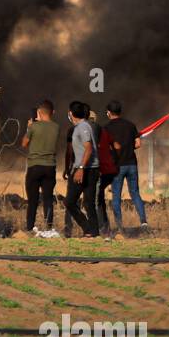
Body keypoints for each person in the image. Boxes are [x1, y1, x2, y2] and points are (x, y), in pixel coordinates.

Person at [106, 100, 149, 230]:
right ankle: (143, 222)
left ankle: (119, 225)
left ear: (109, 113)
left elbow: (107, 148)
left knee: (116, 196)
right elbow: (138, 144)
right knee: (135, 193)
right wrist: (128, 148)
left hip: (117, 166)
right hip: (131, 164)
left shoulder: (107, 128)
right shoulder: (130, 125)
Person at [21, 100, 59, 235]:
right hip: (50, 166)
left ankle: (30, 228)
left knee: (33, 200)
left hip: (35, 166)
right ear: (52, 112)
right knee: (48, 199)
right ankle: (48, 227)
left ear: (39, 112)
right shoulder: (56, 127)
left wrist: (29, 127)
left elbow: (24, 143)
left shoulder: (33, 127)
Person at [64, 100, 99, 237]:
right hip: (89, 168)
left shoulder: (82, 127)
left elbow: (89, 148)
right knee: (89, 203)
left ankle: (88, 229)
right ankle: (93, 232)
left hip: (86, 169)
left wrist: (80, 168)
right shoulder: (82, 126)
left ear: (71, 113)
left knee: (69, 202)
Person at [94, 111, 118, 237]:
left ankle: (103, 229)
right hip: (110, 170)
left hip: (100, 170)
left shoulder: (89, 132)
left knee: (96, 200)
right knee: (99, 198)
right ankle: (104, 226)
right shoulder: (103, 131)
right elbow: (117, 146)